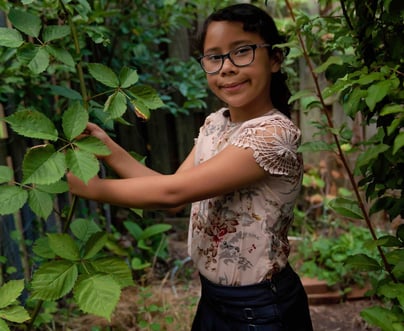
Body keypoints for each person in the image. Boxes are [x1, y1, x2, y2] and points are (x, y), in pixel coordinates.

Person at [67, 3, 313, 330]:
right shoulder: (216, 124)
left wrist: (78, 185)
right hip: (214, 299)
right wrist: (107, 148)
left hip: (260, 309)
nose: (226, 67)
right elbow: (177, 192)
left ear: (276, 59)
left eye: (242, 51)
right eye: (214, 56)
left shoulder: (273, 135)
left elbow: (171, 193)